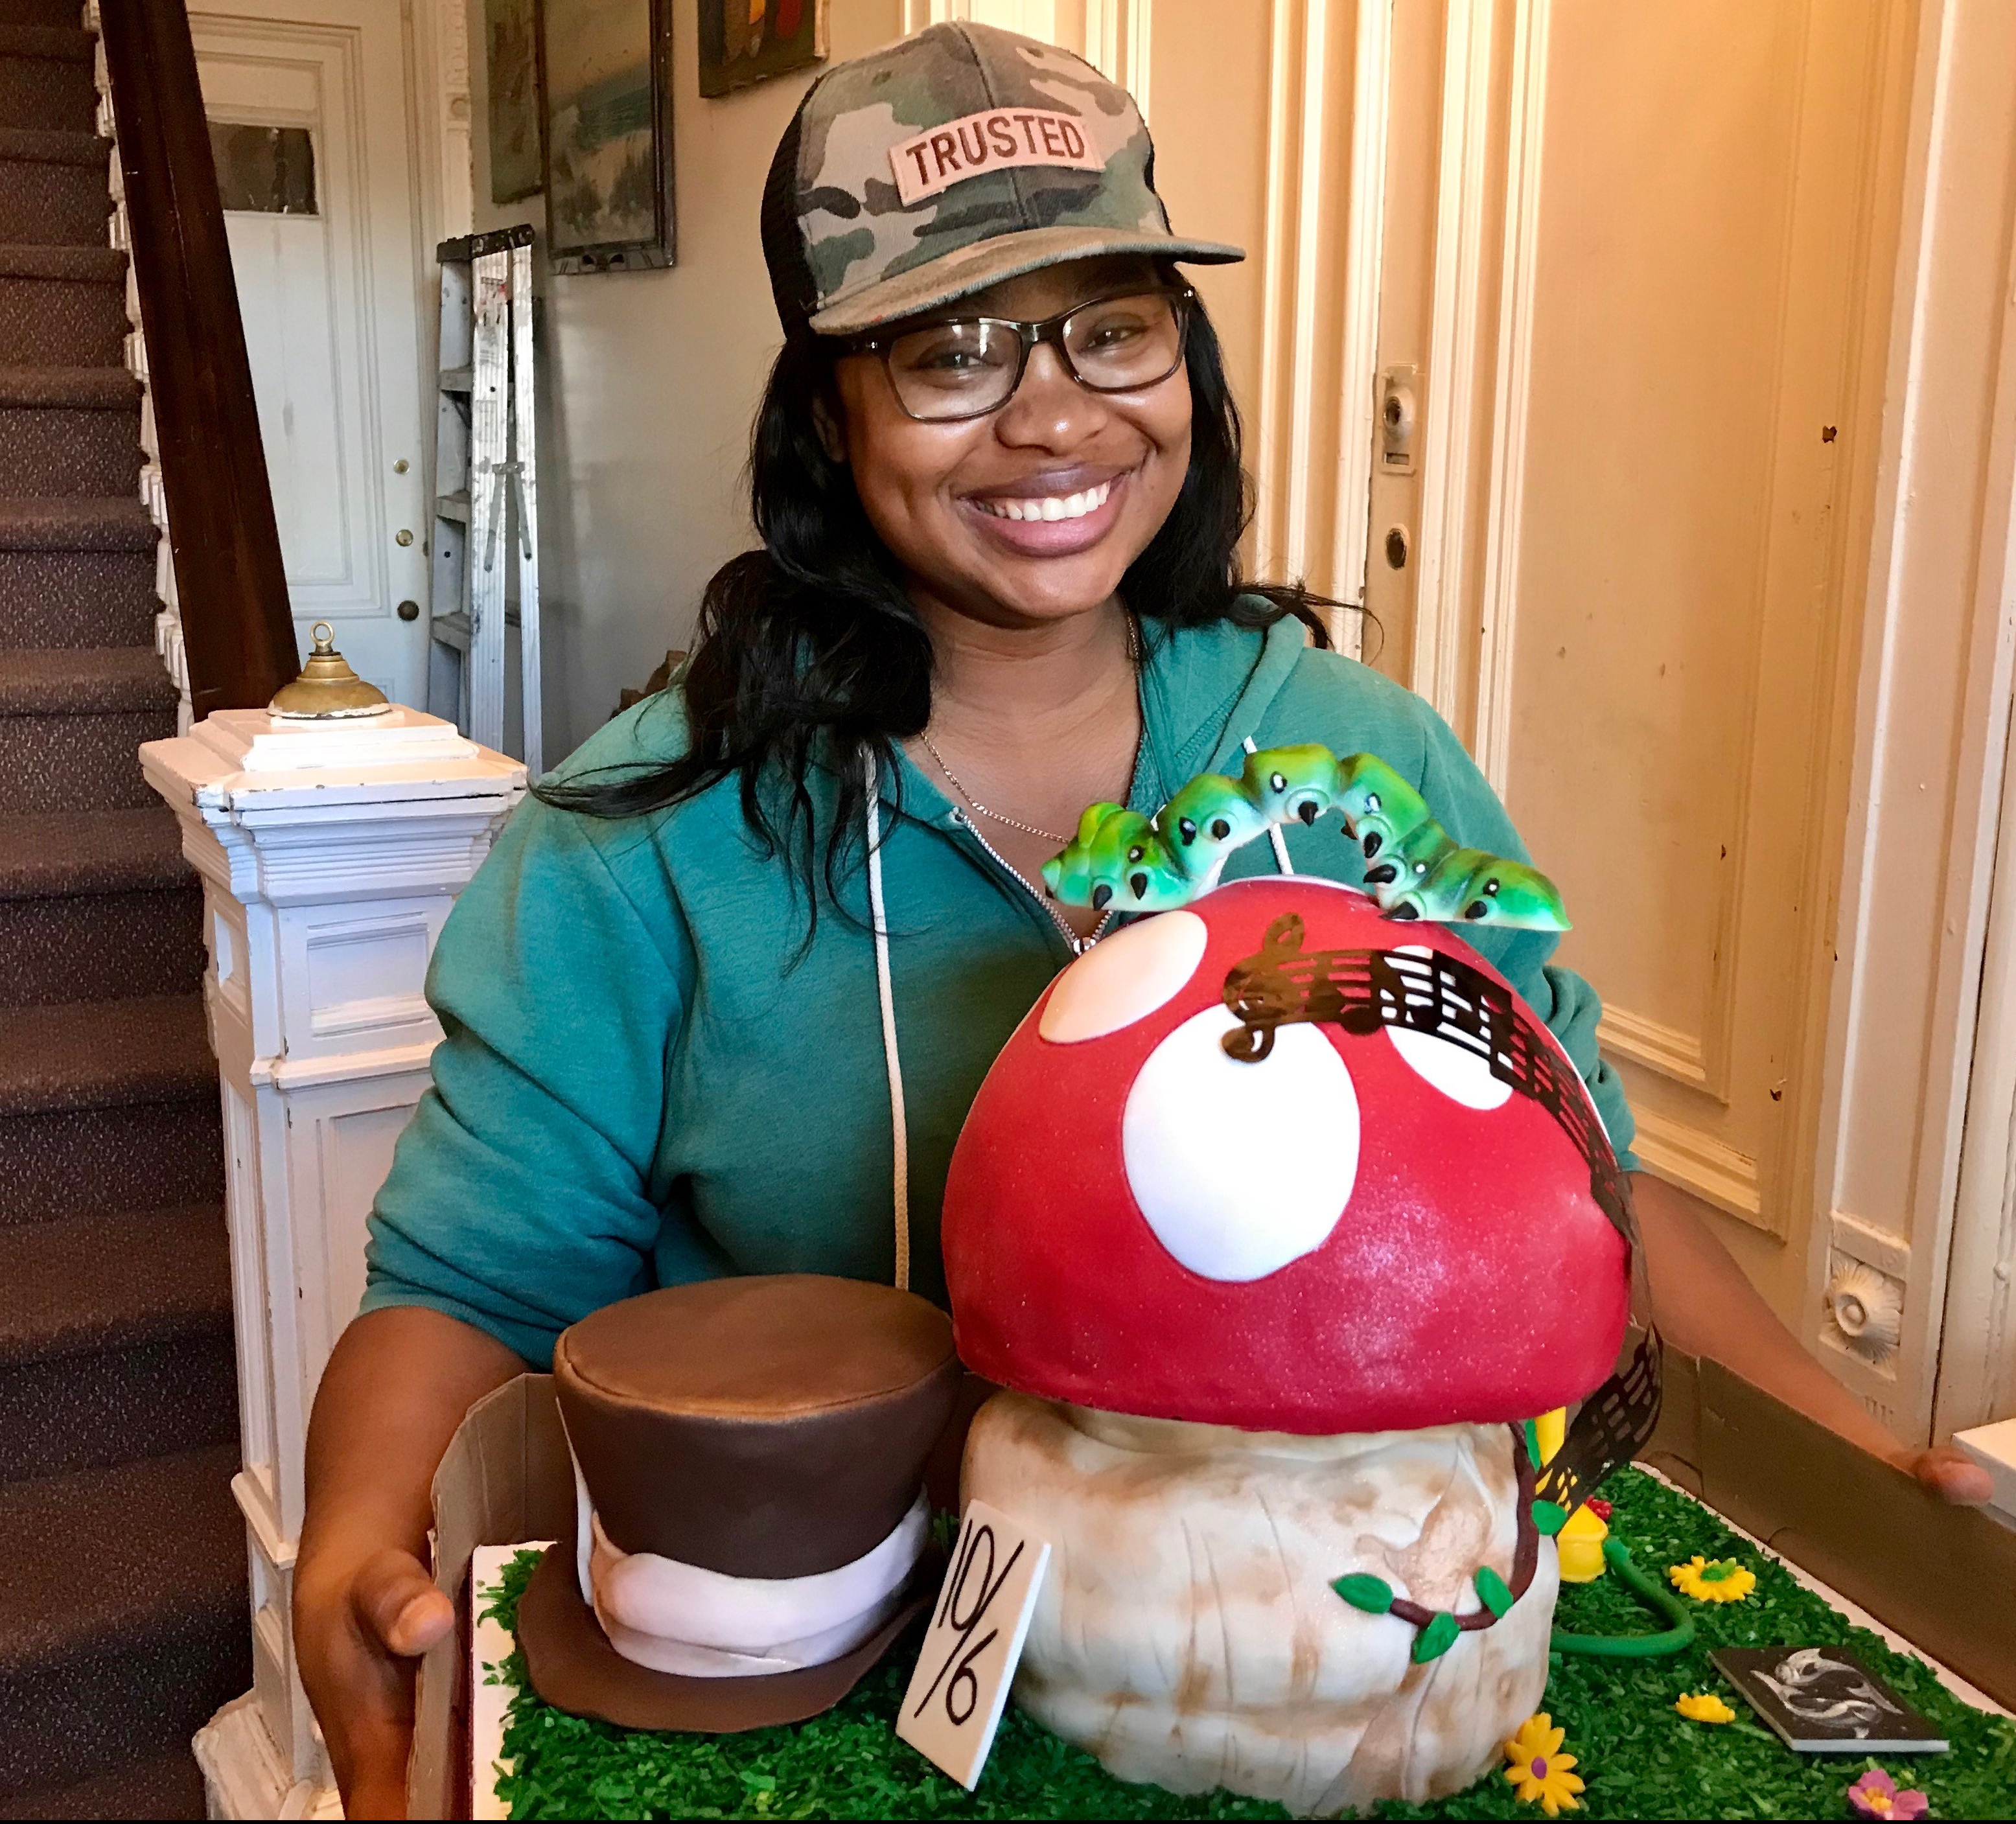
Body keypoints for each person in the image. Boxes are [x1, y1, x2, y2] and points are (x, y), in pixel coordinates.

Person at [292, 22, 1991, 1817]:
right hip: (825, 1692)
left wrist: (1857, 1470)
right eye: (949, 350)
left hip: (1317, 1681)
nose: (1052, 414)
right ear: (825, 408)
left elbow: (1584, 1172)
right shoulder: (639, 835)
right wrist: (351, 1540)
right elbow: (472, 1291)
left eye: (1113, 323)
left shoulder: (1351, 751)